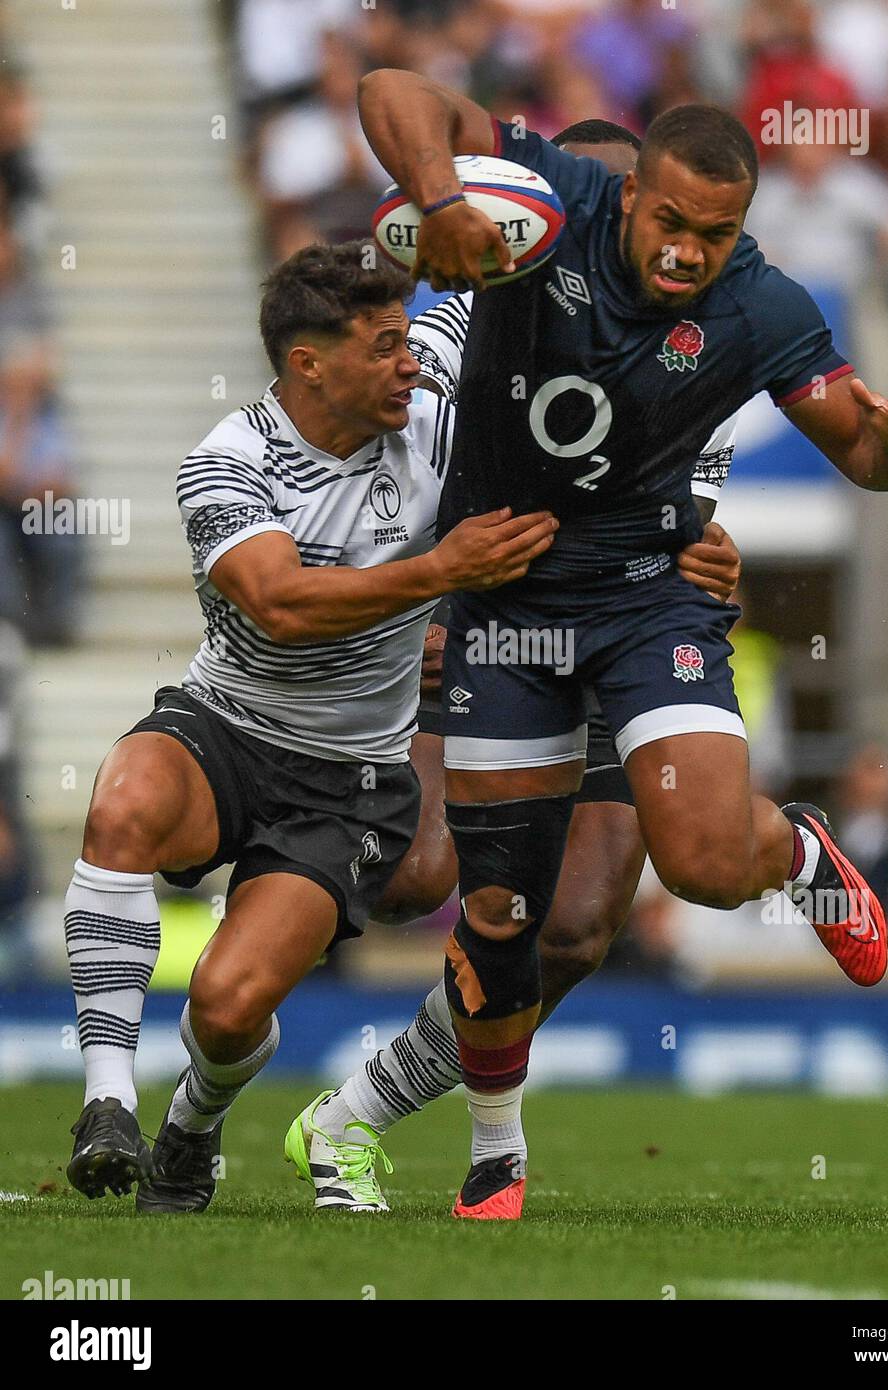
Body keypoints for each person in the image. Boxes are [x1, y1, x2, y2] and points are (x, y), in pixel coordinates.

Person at [357, 69, 888, 1217]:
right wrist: (436, 196)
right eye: (670, 222)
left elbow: (857, 454)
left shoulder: (764, 305)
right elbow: (393, 87)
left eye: (714, 234)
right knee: (500, 911)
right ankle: (494, 1153)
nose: (687, 251)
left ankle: (800, 853)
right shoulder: (556, 197)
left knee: (704, 865)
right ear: (629, 200)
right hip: (507, 608)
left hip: (647, 602)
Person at [285, 121, 741, 1214]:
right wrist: (423, 594)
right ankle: (272, 868)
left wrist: (716, 560)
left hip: (621, 646)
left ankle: (361, 1114)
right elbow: (389, 453)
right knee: (422, 879)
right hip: (499, 634)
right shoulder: (457, 324)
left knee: (577, 927)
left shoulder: (695, 350)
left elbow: (690, 528)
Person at [63, 242, 558, 1207]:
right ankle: (107, 1100)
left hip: (347, 776)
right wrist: (440, 572)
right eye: (383, 347)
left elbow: (491, 304)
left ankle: (191, 1128)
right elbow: (280, 606)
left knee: (226, 1004)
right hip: (225, 722)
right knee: (124, 801)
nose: (407, 362)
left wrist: (690, 532)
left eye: (407, 340)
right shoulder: (226, 462)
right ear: (309, 364)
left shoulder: (433, 416)